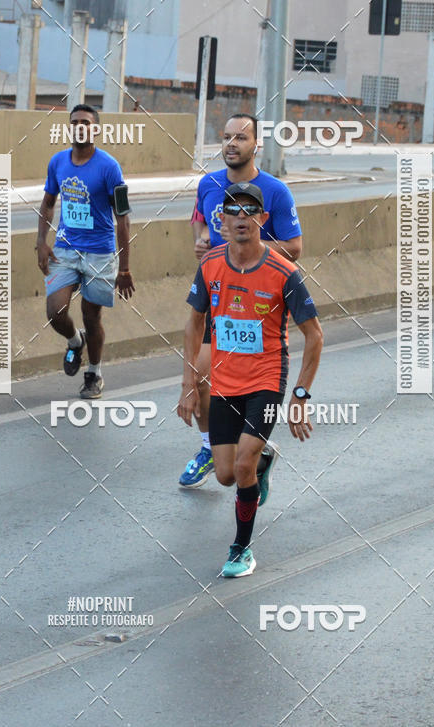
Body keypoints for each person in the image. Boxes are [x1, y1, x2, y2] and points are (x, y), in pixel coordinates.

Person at [178, 183, 323, 578]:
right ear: (221, 220)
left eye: (249, 211)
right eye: (233, 210)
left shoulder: (283, 272)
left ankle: (241, 549)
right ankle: (263, 459)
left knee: (242, 466)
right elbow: (193, 324)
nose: (241, 217)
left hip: (266, 379)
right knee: (226, 475)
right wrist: (189, 384)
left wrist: (300, 396)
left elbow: (315, 335)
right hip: (225, 382)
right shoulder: (211, 264)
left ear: (263, 218)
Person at [179, 113, 302, 489]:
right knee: (200, 376)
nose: (232, 144)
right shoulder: (209, 184)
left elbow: (294, 248)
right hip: (218, 300)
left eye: (241, 138)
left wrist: (247, 246)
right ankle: (209, 447)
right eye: (227, 137)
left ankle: (255, 450)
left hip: (256, 308)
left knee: (247, 388)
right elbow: (200, 220)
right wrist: (202, 239)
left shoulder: (275, 191)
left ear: (256, 145)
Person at [36, 104, 135, 399]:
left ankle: (94, 374)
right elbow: (48, 203)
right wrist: (41, 241)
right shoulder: (58, 162)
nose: (80, 127)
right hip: (65, 249)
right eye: (75, 122)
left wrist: (124, 268)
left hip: (99, 253)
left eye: (86, 123)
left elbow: (123, 218)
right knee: (55, 311)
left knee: (91, 318)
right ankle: (74, 341)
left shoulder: (110, 167)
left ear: (96, 129)